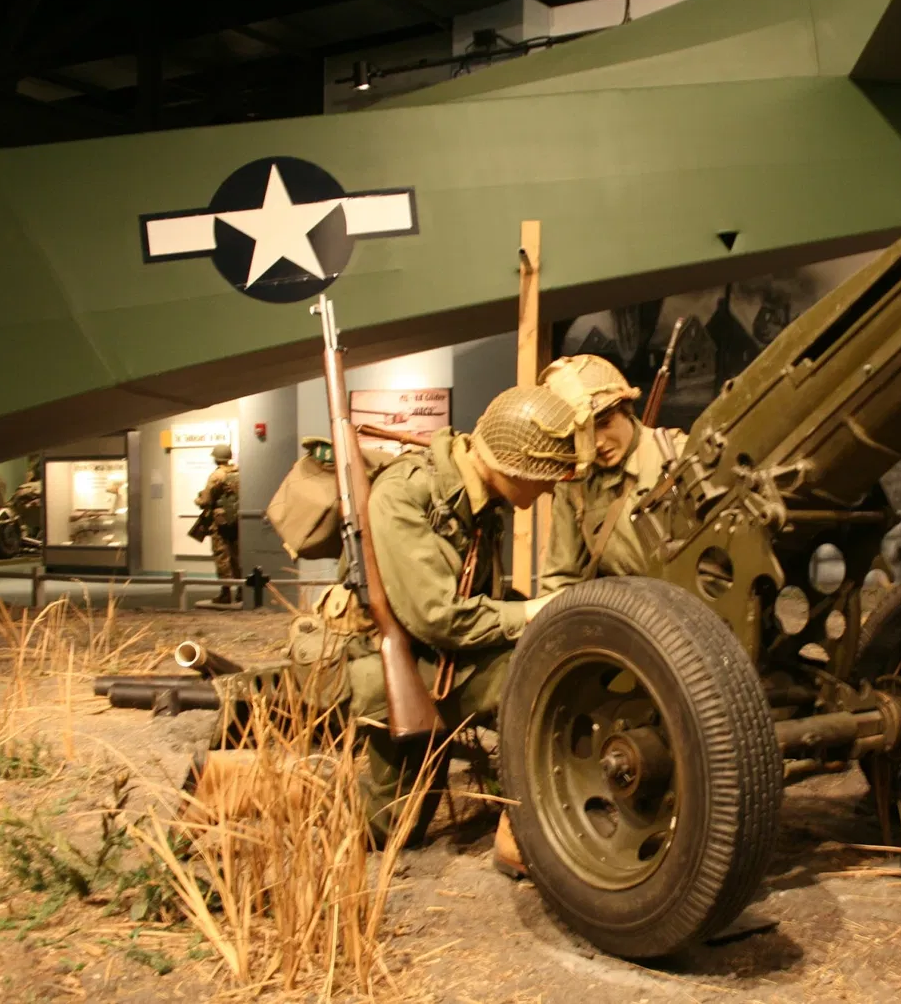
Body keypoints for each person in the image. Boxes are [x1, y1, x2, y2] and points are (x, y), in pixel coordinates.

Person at [193, 386, 586, 870]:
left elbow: (474, 598)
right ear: (513, 465)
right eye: (544, 476)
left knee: (392, 825)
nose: (549, 489)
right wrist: (530, 615)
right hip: (372, 661)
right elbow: (436, 615)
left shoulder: (480, 504)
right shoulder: (408, 493)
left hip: (432, 662)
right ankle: (239, 780)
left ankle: (233, 778)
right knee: (517, 681)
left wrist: (540, 610)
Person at [538, 354, 687, 590]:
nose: (597, 442)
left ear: (626, 409)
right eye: (583, 434)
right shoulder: (575, 484)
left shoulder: (677, 455)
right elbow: (562, 580)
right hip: (627, 617)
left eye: (605, 423)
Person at [194, 444, 241, 608]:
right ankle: (241, 591)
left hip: (220, 523)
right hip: (236, 521)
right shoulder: (238, 473)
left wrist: (198, 499)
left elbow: (206, 500)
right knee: (237, 556)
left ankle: (225, 593)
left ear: (216, 458)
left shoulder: (217, 476)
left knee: (222, 557)